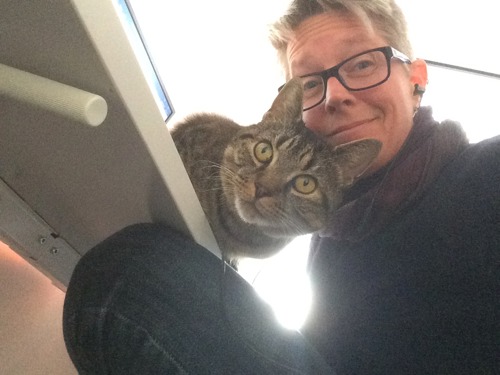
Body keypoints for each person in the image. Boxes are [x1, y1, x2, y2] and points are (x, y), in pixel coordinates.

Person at [63, 0, 499, 374]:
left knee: (130, 280)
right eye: (310, 82)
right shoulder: (329, 243)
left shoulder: (485, 172)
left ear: (416, 78)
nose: (333, 95)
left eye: (363, 63)